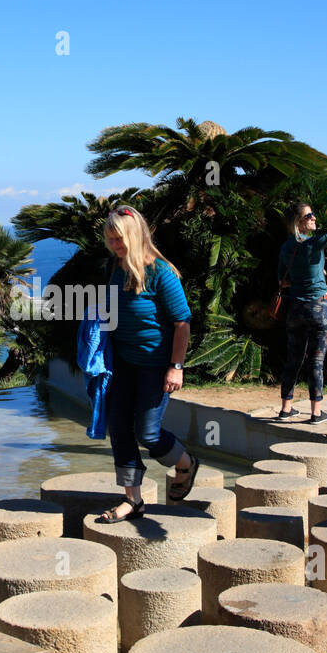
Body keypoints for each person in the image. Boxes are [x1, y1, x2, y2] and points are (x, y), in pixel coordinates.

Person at [96, 206, 200, 522]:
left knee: (148, 433)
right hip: (123, 364)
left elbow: (182, 323)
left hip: (156, 366)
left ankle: (186, 463)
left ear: (135, 236)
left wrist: (176, 367)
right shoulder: (113, 269)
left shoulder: (161, 274)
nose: (115, 245)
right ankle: (133, 500)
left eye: (119, 239)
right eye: (111, 239)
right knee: (119, 427)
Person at [276, 201, 327, 424]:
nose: (314, 218)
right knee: (315, 361)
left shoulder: (286, 248)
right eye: (310, 216)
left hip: (295, 309)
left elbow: (282, 280)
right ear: (299, 222)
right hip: (319, 307)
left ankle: (286, 408)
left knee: (293, 359)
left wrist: (307, 274)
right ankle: (316, 413)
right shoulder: (313, 244)